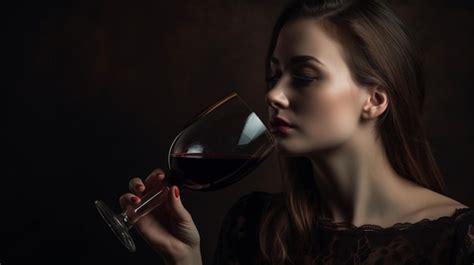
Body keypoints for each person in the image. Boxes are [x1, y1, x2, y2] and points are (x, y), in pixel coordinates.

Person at [118, 0, 474, 264]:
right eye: (273, 76)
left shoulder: (458, 240)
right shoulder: (251, 226)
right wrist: (186, 259)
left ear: (375, 99)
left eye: (304, 76)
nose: (273, 94)